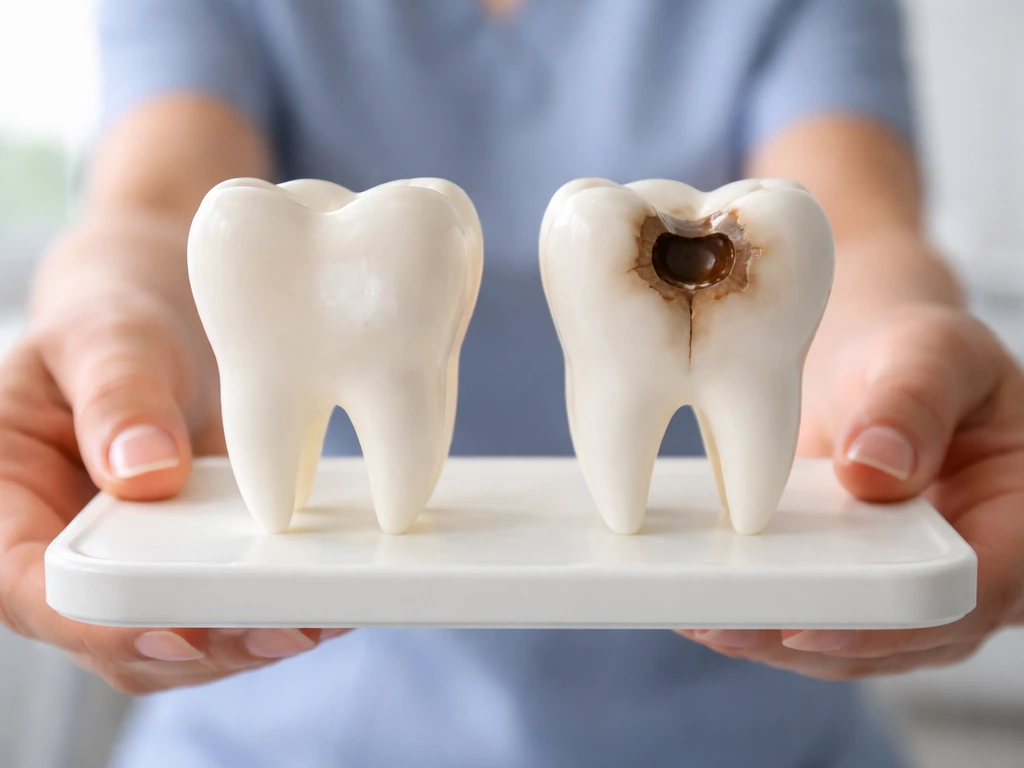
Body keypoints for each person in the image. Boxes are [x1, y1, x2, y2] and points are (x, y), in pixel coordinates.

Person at [1, 0, 1021, 765]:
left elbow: (851, 225)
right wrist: (104, 322)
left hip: (744, 733)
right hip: (272, 734)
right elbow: (163, 204)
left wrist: (895, 358)